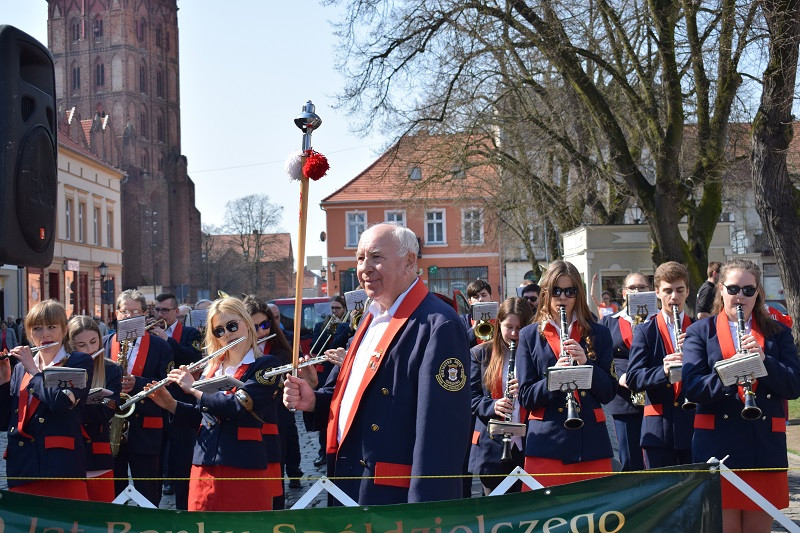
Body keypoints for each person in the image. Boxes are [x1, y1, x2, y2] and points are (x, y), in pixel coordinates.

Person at [283, 223, 471, 504]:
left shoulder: (438, 324)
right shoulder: (370, 318)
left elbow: (442, 433)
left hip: (393, 497)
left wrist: (426, 512)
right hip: (350, 485)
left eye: (376, 257)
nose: (364, 268)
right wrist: (315, 402)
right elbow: (363, 401)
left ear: (409, 262)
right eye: (360, 258)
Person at [683, 259, 800, 533]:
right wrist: (731, 371)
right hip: (718, 446)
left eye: (749, 290)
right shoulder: (700, 331)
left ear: (758, 293)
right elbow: (693, 387)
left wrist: (764, 362)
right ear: (721, 289)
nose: (741, 296)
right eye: (734, 289)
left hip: (764, 446)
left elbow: (794, 386)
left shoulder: (778, 333)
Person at [147, 297, 282, 511]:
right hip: (204, 464)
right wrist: (172, 405)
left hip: (243, 464)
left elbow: (238, 406)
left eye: (232, 326)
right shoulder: (212, 368)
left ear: (247, 323)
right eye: (219, 331)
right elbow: (204, 416)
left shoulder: (265, 365)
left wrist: (193, 389)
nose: (226, 334)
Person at [516, 260, 616, 487]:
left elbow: (609, 392)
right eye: (556, 291)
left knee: (594, 508)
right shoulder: (529, 335)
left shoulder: (599, 333)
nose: (562, 297)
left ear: (578, 294)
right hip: (547, 442)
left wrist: (586, 364)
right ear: (545, 292)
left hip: (591, 441)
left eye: (569, 291)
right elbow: (526, 396)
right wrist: (555, 379)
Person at [0, 300, 93, 499]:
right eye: (37, 328)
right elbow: (4, 421)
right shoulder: (20, 368)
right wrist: (3, 382)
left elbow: (60, 403)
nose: (45, 335)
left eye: (51, 327)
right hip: (22, 467)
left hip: (61, 466)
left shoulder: (78, 362)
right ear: (28, 333)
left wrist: (34, 372)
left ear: (64, 330)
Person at [103, 289, 173, 505]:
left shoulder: (160, 346)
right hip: (112, 425)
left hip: (146, 425)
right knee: (114, 486)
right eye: (125, 311)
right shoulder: (106, 343)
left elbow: (169, 383)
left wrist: (138, 383)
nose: (129, 316)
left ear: (144, 315)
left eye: (135, 311)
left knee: (148, 488)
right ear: (117, 314)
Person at [626, 262, 695, 468]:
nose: (674, 297)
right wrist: (662, 371)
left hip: (694, 426)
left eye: (679, 290)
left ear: (687, 291)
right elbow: (633, 378)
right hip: (659, 428)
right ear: (657, 292)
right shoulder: (645, 331)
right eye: (667, 291)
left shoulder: (699, 329)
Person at [468, 297, 534, 494]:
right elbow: (470, 398)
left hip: (527, 444)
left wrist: (526, 389)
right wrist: (493, 406)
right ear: (499, 325)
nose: (514, 333)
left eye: (520, 328)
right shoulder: (480, 354)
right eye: (509, 327)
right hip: (492, 445)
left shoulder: (534, 355)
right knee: (494, 506)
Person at [243, 293, 300, 506]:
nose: (261, 332)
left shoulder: (281, 352)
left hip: (276, 421)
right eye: (254, 326)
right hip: (247, 423)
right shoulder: (237, 351)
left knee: (274, 476)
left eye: (265, 325)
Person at [149, 292, 203, 508]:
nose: (160, 314)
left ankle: (183, 507)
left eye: (165, 310)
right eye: (157, 310)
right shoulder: (150, 334)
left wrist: (168, 340)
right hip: (157, 402)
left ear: (176, 311)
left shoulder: (190, 333)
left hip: (181, 404)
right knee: (156, 460)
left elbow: (194, 359)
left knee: (182, 459)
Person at [599, 272, 650, 471]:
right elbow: (604, 358)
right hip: (624, 399)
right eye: (632, 288)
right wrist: (619, 377)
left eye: (642, 287)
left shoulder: (657, 321)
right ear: (623, 293)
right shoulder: (609, 322)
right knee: (629, 460)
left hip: (654, 397)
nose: (637, 292)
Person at [68, 315, 122, 502]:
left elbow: (108, 410)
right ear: (71, 346)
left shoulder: (112, 369)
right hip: (68, 451)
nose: (90, 349)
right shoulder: (64, 369)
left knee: (101, 508)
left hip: (97, 449)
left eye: (93, 342)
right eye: (81, 345)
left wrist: (74, 406)